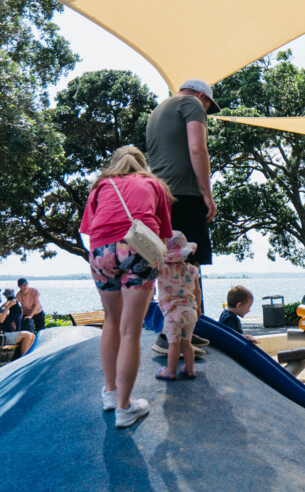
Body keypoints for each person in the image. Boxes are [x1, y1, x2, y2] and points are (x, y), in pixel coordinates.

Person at [80, 145, 173, 429]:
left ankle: (110, 394)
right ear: (142, 165)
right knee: (131, 330)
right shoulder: (154, 185)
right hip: (138, 250)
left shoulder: (100, 185)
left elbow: (88, 229)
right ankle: (125, 408)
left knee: (111, 320)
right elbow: (164, 234)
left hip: (101, 252)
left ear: (116, 163)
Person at [146, 78, 220, 354]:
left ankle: (185, 331)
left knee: (170, 262)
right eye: (208, 106)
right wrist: (207, 193)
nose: (206, 111)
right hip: (185, 195)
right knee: (189, 264)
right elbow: (197, 148)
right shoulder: (191, 103)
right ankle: (171, 336)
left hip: (158, 197)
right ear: (203, 96)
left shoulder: (157, 111)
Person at [155, 232, 202, 381]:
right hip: (190, 311)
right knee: (187, 343)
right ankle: (189, 369)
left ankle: (170, 371)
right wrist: (198, 307)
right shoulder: (193, 270)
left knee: (173, 344)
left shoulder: (162, 269)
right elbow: (197, 290)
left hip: (172, 313)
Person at [0, 288, 35, 355]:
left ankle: (23, 357)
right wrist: (8, 306)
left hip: (4, 334)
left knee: (32, 335)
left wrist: (13, 323)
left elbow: (5, 318)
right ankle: (23, 360)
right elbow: (0, 319)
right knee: (27, 335)